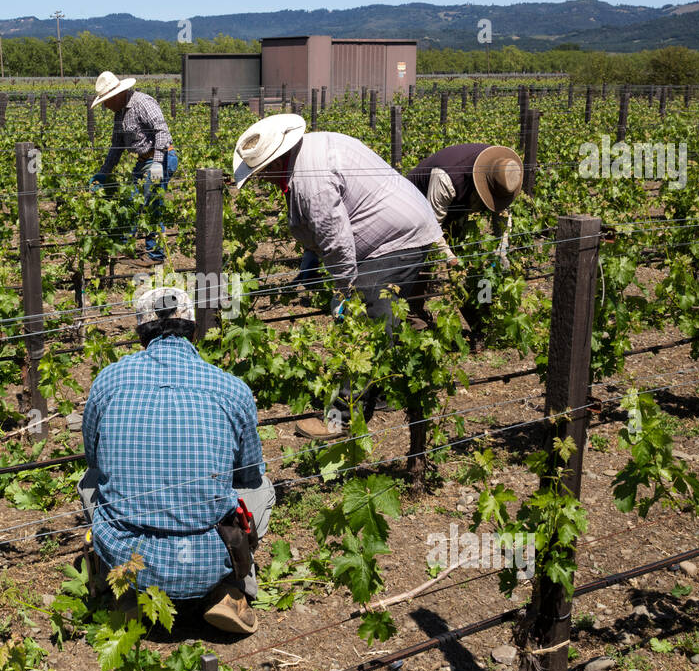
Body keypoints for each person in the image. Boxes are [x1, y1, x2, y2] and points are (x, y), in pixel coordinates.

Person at [231, 114, 451, 440]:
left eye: (261, 173)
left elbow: (336, 242)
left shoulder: (309, 181)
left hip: (393, 240)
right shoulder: (312, 148)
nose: (261, 180)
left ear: (275, 160)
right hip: (408, 222)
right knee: (389, 320)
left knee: (363, 325)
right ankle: (388, 392)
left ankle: (341, 419)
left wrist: (344, 290)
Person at [79, 287, 275, 635]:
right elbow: (248, 473)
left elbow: (93, 459)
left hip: (130, 557)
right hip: (209, 558)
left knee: (89, 481)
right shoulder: (231, 388)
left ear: (140, 335)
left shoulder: (107, 381)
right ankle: (230, 589)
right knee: (262, 486)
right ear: (194, 331)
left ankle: (126, 592)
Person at [404, 144, 523, 340]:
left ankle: (480, 323)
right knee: (422, 261)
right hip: (416, 211)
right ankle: (414, 322)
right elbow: (431, 229)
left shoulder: (501, 173)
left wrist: (501, 251)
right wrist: (450, 258)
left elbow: (503, 216)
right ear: (480, 183)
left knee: (468, 265)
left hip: (455, 210)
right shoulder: (447, 178)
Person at [88, 71, 178, 265]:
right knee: (131, 202)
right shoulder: (119, 113)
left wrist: (157, 162)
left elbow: (162, 131)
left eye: (106, 100)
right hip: (143, 161)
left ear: (118, 94)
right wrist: (103, 173)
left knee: (152, 204)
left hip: (161, 158)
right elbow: (116, 146)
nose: (105, 105)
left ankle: (155, 255)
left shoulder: (142, 103)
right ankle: (122, 247)